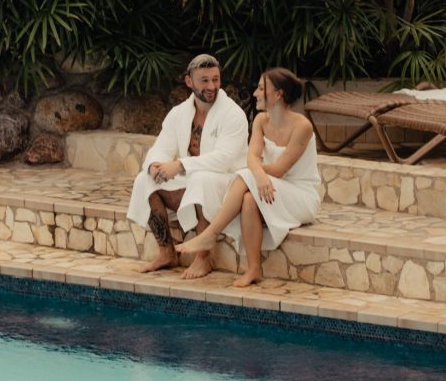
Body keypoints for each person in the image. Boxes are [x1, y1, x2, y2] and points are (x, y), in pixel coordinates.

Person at [176, 68, 319, 287]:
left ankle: (211, 233)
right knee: (248, 200)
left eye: (261, 89)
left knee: (245, 175)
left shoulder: (303, 126)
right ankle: (254, 269)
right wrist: (259, 175)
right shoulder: (261, 120)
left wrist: (257, 174)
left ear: (278, 94)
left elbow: (280, 169)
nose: (255, 93)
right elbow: (252, 157)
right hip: (272, 186)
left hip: (300, 195)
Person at [125, 54, 249, 278]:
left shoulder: (233, 114)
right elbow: (161, 147)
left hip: (227, 183)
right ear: (189, 81)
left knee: (202, 179)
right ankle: (166, 253)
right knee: (145, 179)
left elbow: (224, 159)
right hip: (193, 177)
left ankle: (203, 259)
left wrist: (180, 165)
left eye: (215, 79)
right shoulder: (179, 113)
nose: (211, 86)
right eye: (204, 80)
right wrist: (154, 166)